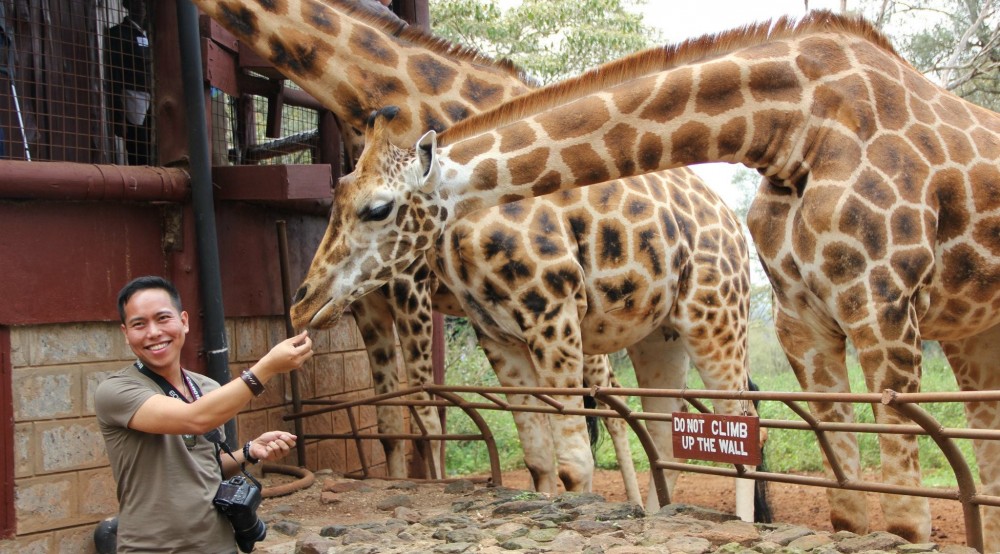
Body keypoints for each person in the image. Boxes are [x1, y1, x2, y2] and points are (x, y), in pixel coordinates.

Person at [95, 276, 313, 553]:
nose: (153, 332)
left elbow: (205, 468)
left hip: (218, 545)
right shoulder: (116, 391)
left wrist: (249, 451)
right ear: (126, 334)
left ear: (183, 321)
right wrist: (267, 367)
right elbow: (194, 419)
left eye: (163, 318)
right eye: (139, 324)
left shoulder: (206, 387)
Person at [104, 0, 152, 165]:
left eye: (144, 4)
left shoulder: (148, 34)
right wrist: (119, 115)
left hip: (151, 97)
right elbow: (114, 75)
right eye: (137, 3)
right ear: (129, 6)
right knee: (139, 149)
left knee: (151, 147)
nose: (141, 7)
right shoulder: (118, 33)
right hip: (132, 98)